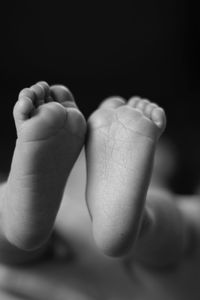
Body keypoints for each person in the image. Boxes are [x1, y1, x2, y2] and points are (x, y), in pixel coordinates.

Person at [0, 81, 200, 300]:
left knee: (10, 231)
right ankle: (141, 223)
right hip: (143, 261)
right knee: (174, 225)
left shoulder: (62, 183)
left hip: (56, 238)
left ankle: (15, 226)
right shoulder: (154, 172)